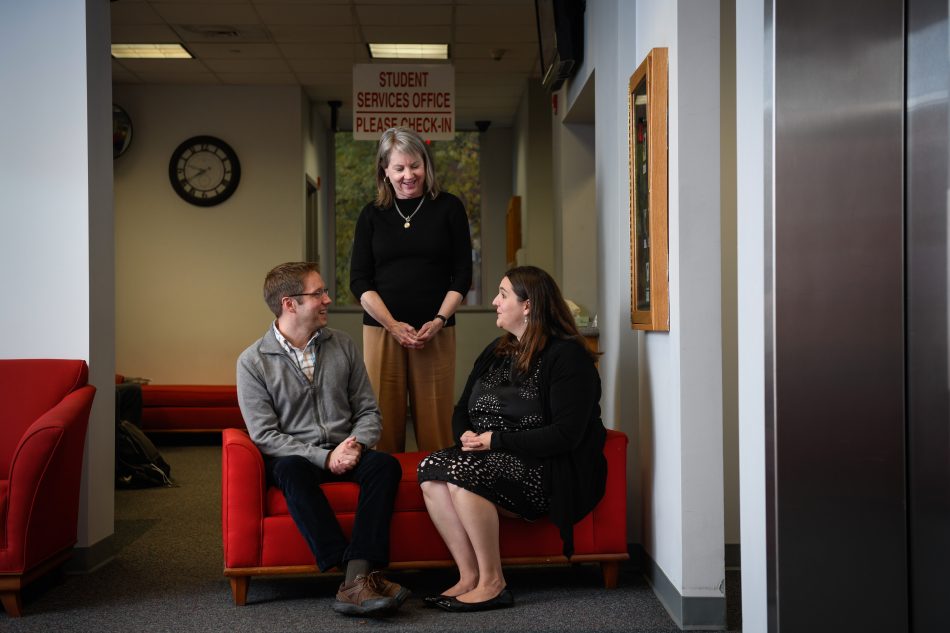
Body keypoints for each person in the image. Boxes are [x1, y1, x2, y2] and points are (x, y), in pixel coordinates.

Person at [417, 266, 607, 612]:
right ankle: (468, 576)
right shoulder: (497, 349)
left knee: (462, 475)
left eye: (503, 294)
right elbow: (462, 408)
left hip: (545, 467)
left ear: (528, 305)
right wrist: (467, 435)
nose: (494, 302)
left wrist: (495, 442)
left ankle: (493, 582)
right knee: (431, 470)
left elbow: (565, 435)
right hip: (488, 453)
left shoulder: (567, 357)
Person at [236, 262, 408, 617]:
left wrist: (357, 443)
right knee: (290, 472)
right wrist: (323, 458)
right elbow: (265, 435)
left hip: (348, 449)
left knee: (385, 466)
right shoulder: (253, 361)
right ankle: (353, 577)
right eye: (318, 293)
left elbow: (369, 411)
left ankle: (354, 578)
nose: (327, 299)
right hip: (298, 457)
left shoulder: (342, 345)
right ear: (290, 303)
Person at [350, 126, 473, 453]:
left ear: (426, 165)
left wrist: (439, 320)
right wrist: (392, 326)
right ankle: (386, 494)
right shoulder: (371, 215)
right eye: (399, 168)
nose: (408, 175)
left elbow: (462, 275)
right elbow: (359, 281)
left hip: (435, 330)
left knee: (435, 426)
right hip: (381, 331)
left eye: (415, 165)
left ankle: (437, 497)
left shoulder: (449, 208)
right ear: (385, 171)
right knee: (381, 424)